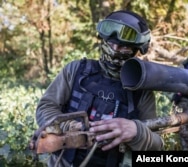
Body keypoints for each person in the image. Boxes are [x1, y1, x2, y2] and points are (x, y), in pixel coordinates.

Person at [35, 10, 164, 167]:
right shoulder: (76, 70)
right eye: (111, 43)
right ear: (103, 41)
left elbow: (156, 146)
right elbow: (45, 107)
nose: (115, 49)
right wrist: (71, 126)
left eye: (123, 46)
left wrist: (137, 132)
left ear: (137, 49)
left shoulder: (141, 90)